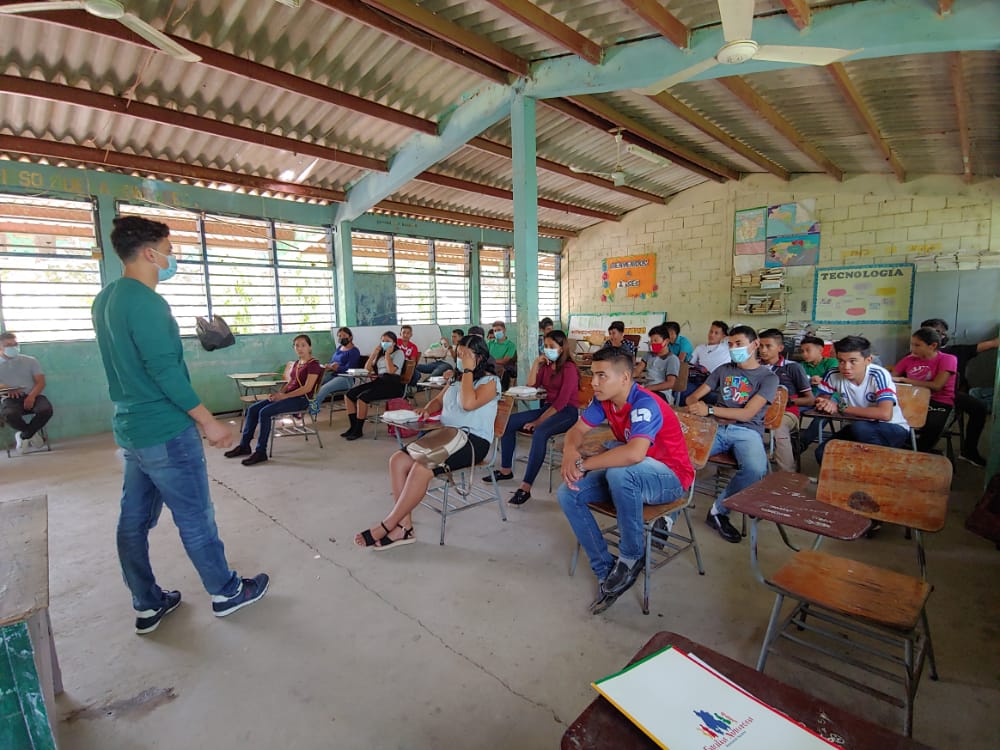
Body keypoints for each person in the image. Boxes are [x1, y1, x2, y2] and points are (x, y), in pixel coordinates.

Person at [92, 215, 268, 634]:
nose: (172, 259)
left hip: (132, 430)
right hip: (166, 432)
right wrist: (209, 422)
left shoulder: (105, 300)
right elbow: (164, 373)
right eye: (170, 251)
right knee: (194, 517)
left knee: (132, 521)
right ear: (150, 253)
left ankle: (147, 602)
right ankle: (226, 592)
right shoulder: (148, 303)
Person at [557, 347, 694, 615]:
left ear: (625, 377)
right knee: (568, 492)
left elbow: (633, 454)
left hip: (670, 478)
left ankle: (631, 556)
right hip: (632, 478)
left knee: (620, 471)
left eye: (601, 376)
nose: (593, 382)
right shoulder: (604, 401)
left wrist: (582, 464)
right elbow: (577, 430)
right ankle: (605, 569)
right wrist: (569, 451)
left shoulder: (645, 403)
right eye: (592, 375)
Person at [354, 335, 502, 550]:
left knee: (422, 468)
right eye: (458, 354)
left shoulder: (491, 382)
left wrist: (468, 372)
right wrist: (427, 409)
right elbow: (438, 400)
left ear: (479, 358)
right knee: (398, 460)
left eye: (465, 355)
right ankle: (405, 527)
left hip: (473, 442)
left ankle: (389, 524)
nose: (460, 358)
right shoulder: (457, 379)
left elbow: (469, 404)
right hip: (447, 435)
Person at [686, 326, 778, 544]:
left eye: (739, 344)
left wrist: (709, 410)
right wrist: (697, 405)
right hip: (716, 427)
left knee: (756, 469)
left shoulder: (768, 377)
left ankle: (719, 511)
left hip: (746, 432)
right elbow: (692, 398)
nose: (733, 348)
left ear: (755, 344)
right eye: (730, 344)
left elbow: (747, 414)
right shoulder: (723, 370)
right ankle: (667, 514)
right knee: (679, 455)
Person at [490, 329, 580, 506]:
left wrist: (538, 421)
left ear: (561, 348)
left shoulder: (569, 368)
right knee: (509, 422)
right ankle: (506, 470)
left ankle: (525, 487)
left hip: (567, 412)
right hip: (548, 408)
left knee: (540, 432)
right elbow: (532, 384)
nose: (547, 349)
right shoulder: (546, 366)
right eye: (545, 346)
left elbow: (561, 402)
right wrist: (535, 364)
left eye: (551, 346)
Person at [225, 334, 323, 466]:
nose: (300, 348)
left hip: (301, 399)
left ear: (309, 347)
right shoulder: (297, 363)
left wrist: (285, 396)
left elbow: (307, 388)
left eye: (303, 345)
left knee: (264, 412)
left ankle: (261, 452)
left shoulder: (314, 365)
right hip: (288, 396)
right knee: (252, 409)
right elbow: (291, 382)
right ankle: (244, 446)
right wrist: (279, 393)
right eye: (297, 346)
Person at [812, 335, 910, 465]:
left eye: (853, 361)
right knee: (822, 453)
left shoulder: (878, 374)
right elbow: (822, 401)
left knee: (861, 436)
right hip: (857, 427)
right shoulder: (833, 374)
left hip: (892, 428)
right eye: (841, 361)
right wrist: (824, 404)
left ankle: (882, 468)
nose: (846, 367)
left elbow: (885, 414)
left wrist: (840, 407)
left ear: (868, 360)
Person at [919, 318, 996, 466]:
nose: (934, 336)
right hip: (920, 393)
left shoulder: (957, 351)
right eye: (928, 333)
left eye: (938, 332)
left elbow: (991, 344)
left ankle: (969, 451)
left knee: (979, 408)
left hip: (949, 394)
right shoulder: (915, 354)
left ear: (944, 335)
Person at [892, 327, 958, 453]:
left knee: (931, 426)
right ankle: (905, 447)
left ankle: (919, 452)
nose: (913, 349)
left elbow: (937, 385)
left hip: (939, 401)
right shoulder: (909, 359)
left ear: (933, 345)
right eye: (912, 344)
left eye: (917, 345)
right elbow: (892, 378)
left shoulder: (948, 359)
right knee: (893, 420)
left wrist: (905, 380)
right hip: (912, 398)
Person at [757, 329, 814, 472]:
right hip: (758, 411)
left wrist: (786, 402)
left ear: (780, 348)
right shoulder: (755, 367)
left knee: (778, 427)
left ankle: (786, 476)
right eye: (760, 346)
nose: (763, 350)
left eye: (768, 346)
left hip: (786, 413)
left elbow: (809, 400)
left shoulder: (792, 367)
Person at [341, 331, 406, 440]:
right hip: (380, 381)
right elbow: (367, 369)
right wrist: (374, 354)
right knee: (349, 394)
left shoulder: (399, 353)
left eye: (388, 341)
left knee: (362, 398)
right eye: (383, 341)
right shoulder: (380, 354)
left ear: (394, 343)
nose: (385, 343)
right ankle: (353, 426)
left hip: (393, 384)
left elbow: (391, 370)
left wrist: (387, 355)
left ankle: (358, 430)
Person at [0, 331, 54, 452]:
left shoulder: (30, 361)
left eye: (15, 344)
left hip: (32, 395)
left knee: (46, 410)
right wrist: (6, 388)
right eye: (8, 345)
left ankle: (23, 436)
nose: (12, 347)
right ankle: (31, 434)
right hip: (10, 399)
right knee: (9, 415)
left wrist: (31, 397)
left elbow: (41, 382)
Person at [797, 335, 839, 451]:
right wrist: (809, 381)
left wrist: (822, 380)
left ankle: (803, 443)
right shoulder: (801, 366)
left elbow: (834, 380)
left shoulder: (831, 362)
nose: (804, 354)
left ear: (820, 350)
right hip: (809, 399)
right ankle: (790, 439)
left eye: (808, 350)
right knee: (791, 410)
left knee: (822, 415)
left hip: (828, 398)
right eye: (802, 351)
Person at [314, 326, 363, 407]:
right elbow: (333, 361)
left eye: (344, 335)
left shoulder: (354, 351)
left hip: (346, 378)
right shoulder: (340, 348)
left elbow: (351, 369)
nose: (341, 338)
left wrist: (337, 368)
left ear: (350, 337)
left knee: (324, 388)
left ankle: (312, 408)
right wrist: (328, 366)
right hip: (334, 374)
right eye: (339, 336)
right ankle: (304, 404)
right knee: (315, 382)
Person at [632, 324, 680, 402]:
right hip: (646, 389)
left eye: (655, 340)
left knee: (643, 402)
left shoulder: (672, 359)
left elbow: (670, 383)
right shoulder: (648, 355)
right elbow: (637, 371)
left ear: (666, 341)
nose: (652, 343)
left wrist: (649, 388)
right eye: (651, 341)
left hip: (661, 393)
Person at [488, 320, 517, 389]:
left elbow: (504, 361)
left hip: (502, 371)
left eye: (499, 330)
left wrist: (490, 360)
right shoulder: (489, 344)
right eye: (494, 331)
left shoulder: (511, 345)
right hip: (489, 369)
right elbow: (484, 357)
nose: (496, 332)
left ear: (504, 330)